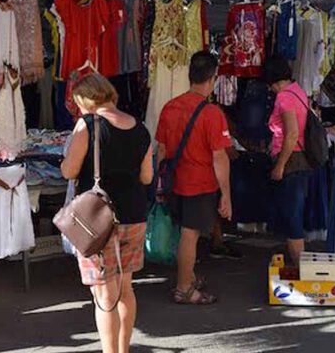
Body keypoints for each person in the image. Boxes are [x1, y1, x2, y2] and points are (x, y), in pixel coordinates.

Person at [61, 74, 153, 353]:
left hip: (97, 220)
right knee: (126, 288)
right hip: (134, 215)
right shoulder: (140, 128)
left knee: (104, 294)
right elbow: (147, 177)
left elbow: (70, 170)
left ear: (85, 100)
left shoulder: (87, 126)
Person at [156, 51, 233, 305]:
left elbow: (163, 151)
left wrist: (160, 183)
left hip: (175, 181)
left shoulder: (170, 107)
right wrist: (226, 195)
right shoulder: (212, 113)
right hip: (199, 183)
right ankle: (184, 288)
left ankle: (186, 276)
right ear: (212, 79)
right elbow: (219, 157)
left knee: (185, 233)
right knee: (191, 235)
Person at [265, 56, 312, 264]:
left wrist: (280, 165)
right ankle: (299, 264)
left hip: (292, 161)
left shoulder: (284, 97)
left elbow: (292, 134)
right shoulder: (298, 91)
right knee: (295, 211)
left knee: (293, 217)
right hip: (302, 160)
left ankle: (300, 269)